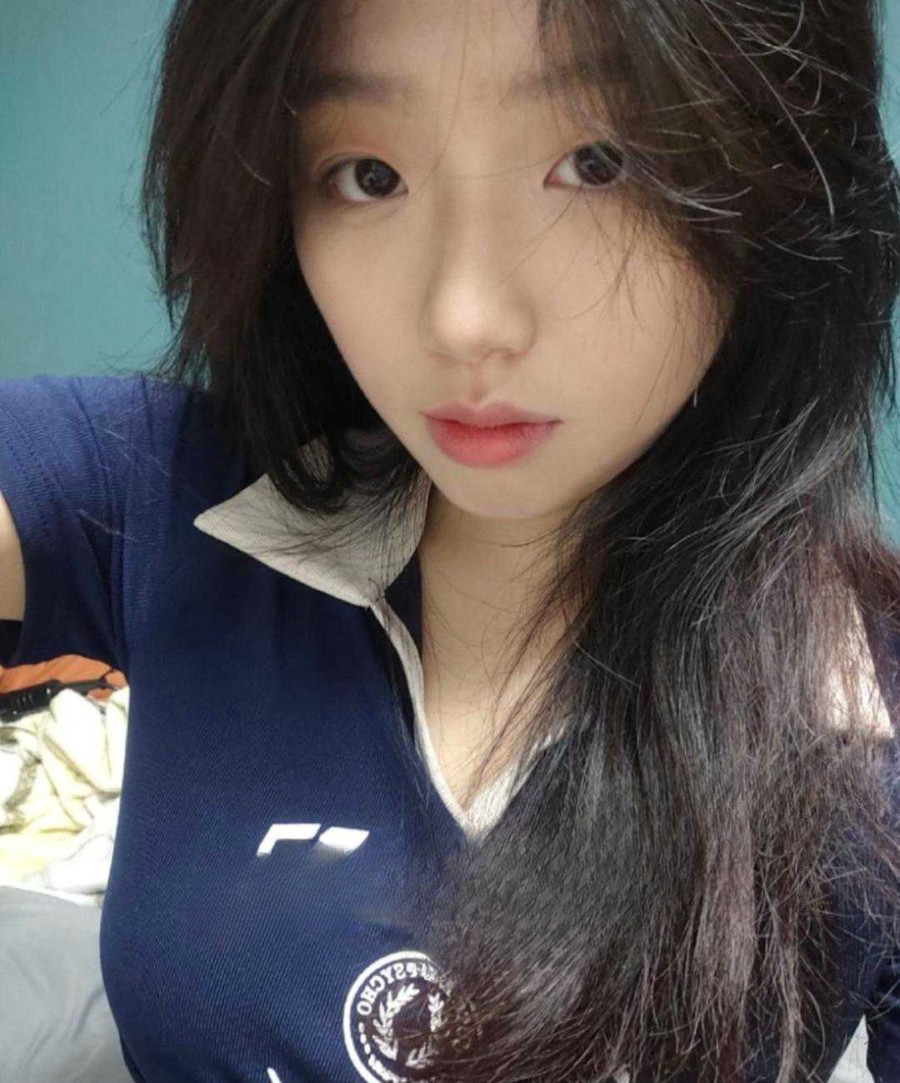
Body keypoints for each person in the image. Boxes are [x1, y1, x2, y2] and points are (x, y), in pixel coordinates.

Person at [1, 0, 900, 1080]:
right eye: (368, 175)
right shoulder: (159, 488)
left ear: (786, 183)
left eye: (600, 163)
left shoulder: (870, 713)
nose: (463, 319)